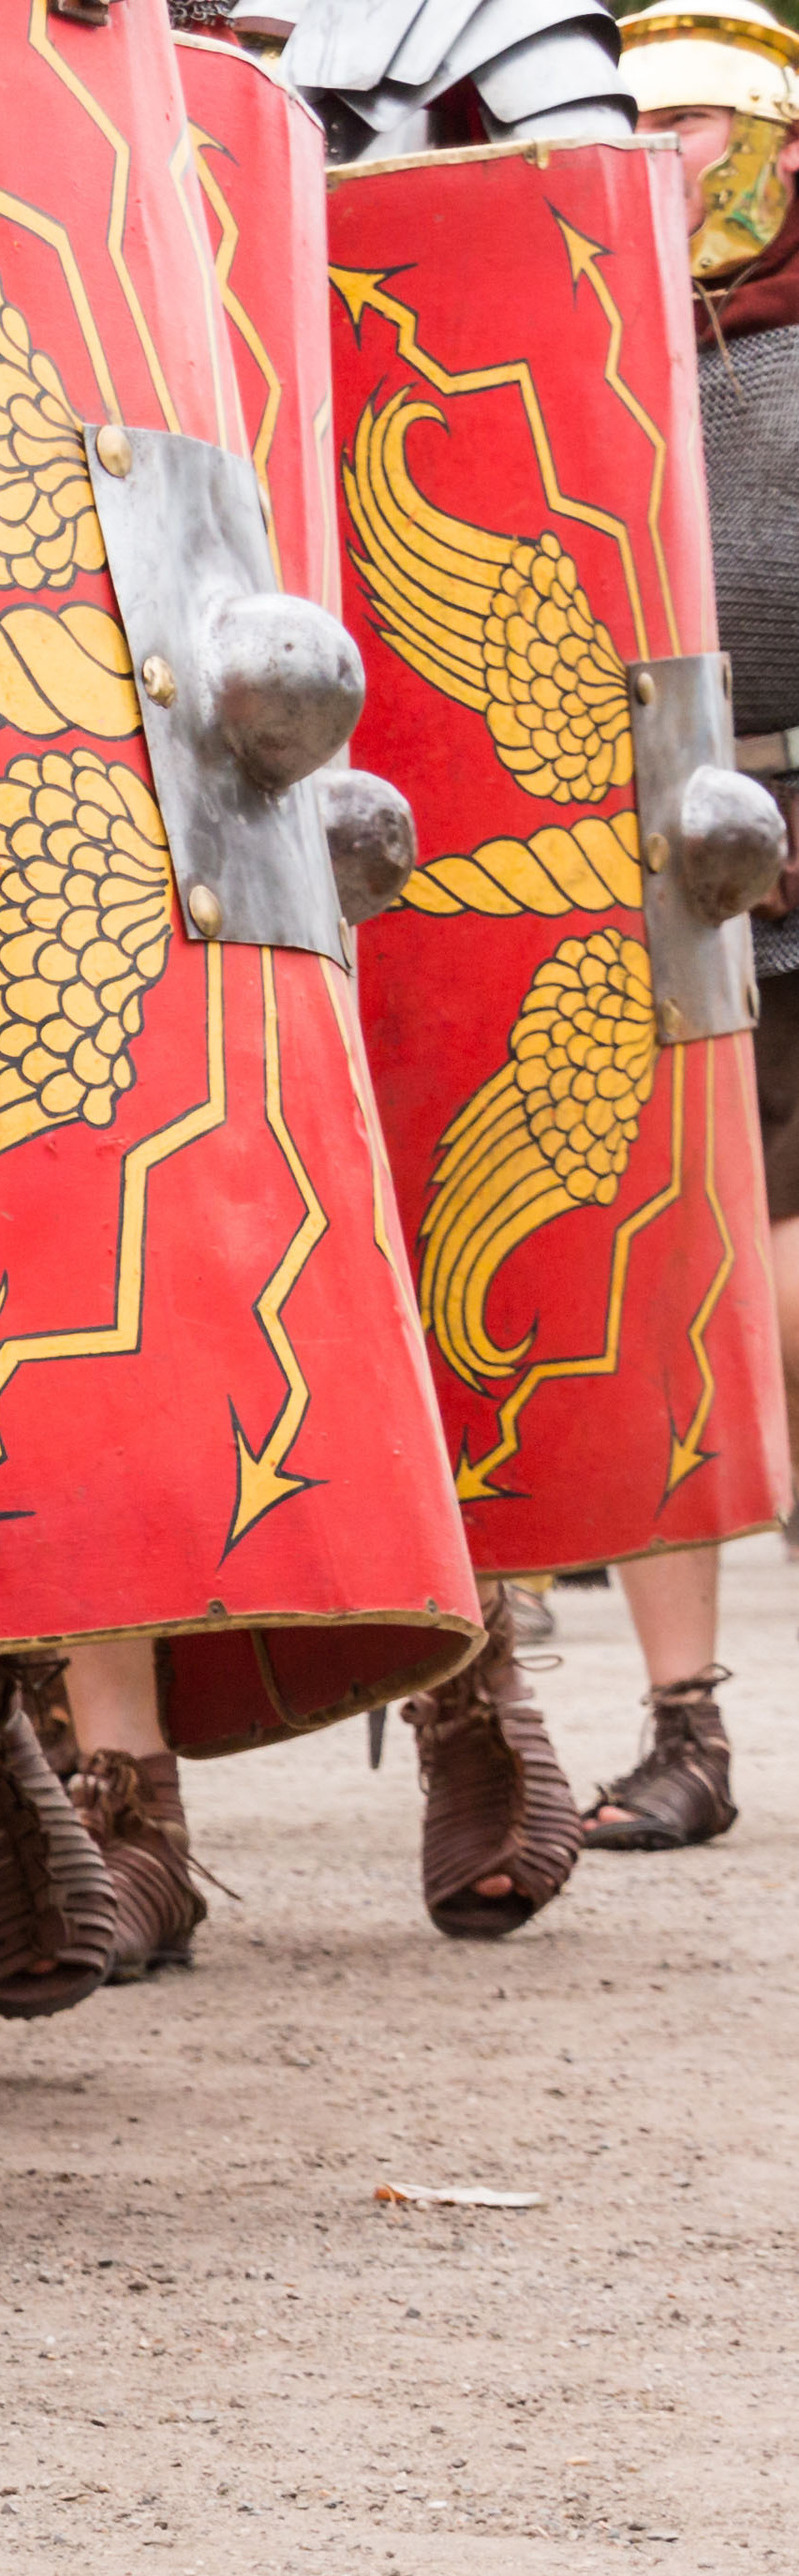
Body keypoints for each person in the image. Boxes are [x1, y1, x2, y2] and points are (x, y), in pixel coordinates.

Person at [598, 6, 799, 1854]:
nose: (676, 164)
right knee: (668, 1274)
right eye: (641, 125)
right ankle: (683, 1723)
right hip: (634, 866)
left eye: (709, 133)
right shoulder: (572, 347)